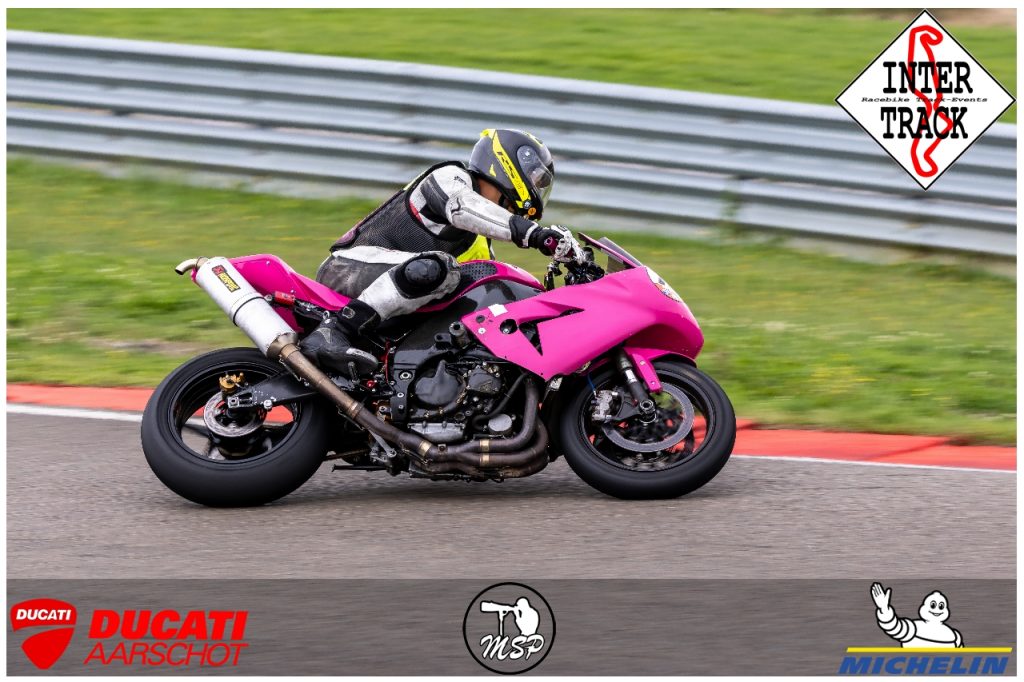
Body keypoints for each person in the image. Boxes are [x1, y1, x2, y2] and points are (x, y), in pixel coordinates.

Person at [301, 128, 577, 374]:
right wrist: (535, 234)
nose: (537, 188)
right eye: (535, 178)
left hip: (390, 302)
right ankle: (334, 331)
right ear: (507, 166)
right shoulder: (449, 177)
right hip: (349, 268)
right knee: (439, 267)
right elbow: (463, 207)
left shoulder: (479, 243)